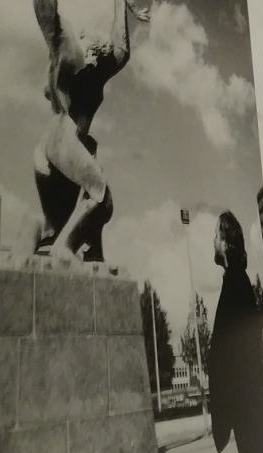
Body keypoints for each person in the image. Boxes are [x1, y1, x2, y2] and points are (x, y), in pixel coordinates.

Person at [32, 0, 149, 261]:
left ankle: (66, 246)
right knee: (100, 196)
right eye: (93, 43)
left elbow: (120, 50)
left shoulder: (95, 72)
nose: (100, 49)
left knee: (73, 216)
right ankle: (63, 249)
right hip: (61, 141)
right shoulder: (73, 58)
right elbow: (50, 21)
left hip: (56, 150)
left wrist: (121, 4)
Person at [208, 210, 263, 453]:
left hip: (248, 410)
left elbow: (241, 351)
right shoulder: (235, 281)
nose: (213, 241)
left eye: (216, 235)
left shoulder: (236, 283)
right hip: (248, 409)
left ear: (225, 243)